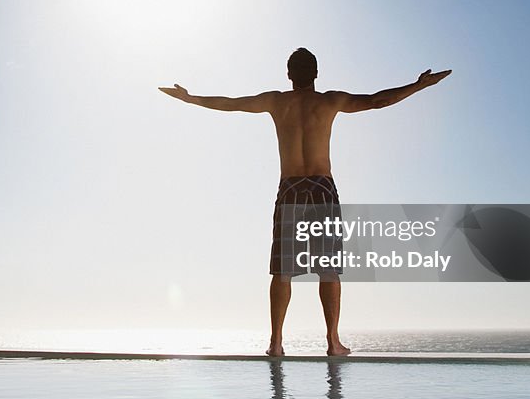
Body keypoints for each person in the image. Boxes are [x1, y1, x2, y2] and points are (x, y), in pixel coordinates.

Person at [160, 48, 451, 356]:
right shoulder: (329, 101)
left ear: (289, 75)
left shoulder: (276, 101)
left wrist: (191, 98)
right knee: (328, 269)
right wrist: (419, 85)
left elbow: (231, 104)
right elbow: (377, 101)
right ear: (316, 73)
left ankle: (276, 343)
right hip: (321, 187)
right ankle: (332, 342)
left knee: (282, 270)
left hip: (290, 188)